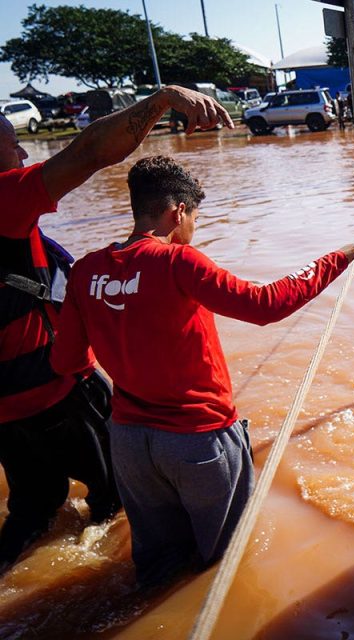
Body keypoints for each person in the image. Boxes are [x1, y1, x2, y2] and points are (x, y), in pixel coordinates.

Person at [49, 155, 354, 586]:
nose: (193, 229)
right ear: (177, 211)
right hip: (198, 438)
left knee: (158, 570)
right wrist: (339, 257)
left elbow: (67, 362)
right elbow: (266, 305)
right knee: (225, 568)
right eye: (195, 219)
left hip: (129, 444)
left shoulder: (87, 270)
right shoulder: (179, 262)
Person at [0, 85, 230, 574]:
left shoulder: (92, 267)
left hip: (4, 411)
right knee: (117, 498)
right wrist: (162, 99)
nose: (23, 155)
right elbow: (87, 153)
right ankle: (117, 586)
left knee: (32, 509)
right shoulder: (5, 199)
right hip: (51, 389)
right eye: (13, 145)